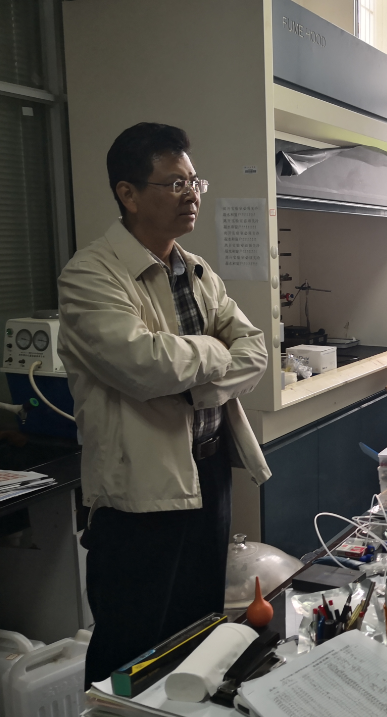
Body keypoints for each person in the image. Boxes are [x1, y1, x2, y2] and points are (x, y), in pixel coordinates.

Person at [58, 123, 272, 686]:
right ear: (128, 194)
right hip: (141, 492)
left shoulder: (196, 270)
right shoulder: (90, 275)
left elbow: (255, 352)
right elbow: (146, 366)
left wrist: (196, 382)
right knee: (130, 647)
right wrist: (213, 350)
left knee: (198, 631)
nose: (192, 194)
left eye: (194, 181)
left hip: (209, 473)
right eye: (175, 183)